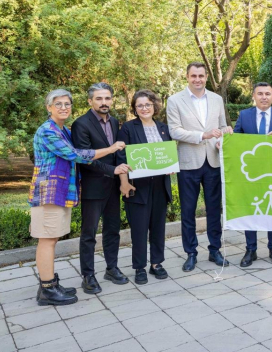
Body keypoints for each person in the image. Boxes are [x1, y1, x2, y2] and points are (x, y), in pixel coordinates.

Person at [29, 89, 128, 305]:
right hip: (48, 192)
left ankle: (50, 284)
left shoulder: (62, 130)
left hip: (61, 192)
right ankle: (47, 289)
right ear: (48, 107)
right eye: (58, 104)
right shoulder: (48, 131)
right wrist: (111, 149)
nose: (63, 107)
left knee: (52, 238)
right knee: (47, 240)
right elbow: (76, 154)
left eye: (67, 104)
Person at [167, 61, 233, 272]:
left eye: (201, 76)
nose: (198, 79)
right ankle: (191, 253)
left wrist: (223, 137)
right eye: (193, 76)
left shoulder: (216, 99)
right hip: (189, 162)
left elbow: (222, 126)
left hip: (213, 160)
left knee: (214, 209)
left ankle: (215, 250)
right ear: (187, 77)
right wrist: (203, 135)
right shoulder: (175, 100)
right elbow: (175, 131)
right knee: (188, 211)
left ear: (205, 77)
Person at [71, 83, 129, 294]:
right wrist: (112, 170)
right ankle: (88, 276)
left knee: (112, 230)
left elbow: (117, 154)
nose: (104, 102)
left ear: (111, 100)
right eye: (99, 99)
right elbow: (85, 158)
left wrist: (121, 178)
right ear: (90, 101)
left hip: (112, 186)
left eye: (107, 98)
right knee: (89, 233)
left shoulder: (114, 122)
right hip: (93, 186)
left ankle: (112, 268)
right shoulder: (80, 124)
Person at [233, 82, 272, 267]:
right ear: (254, 96)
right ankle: (250, 250)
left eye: (268, 93)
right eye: (260, 93)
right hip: (250, 174)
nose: (264, 97)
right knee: (250, 209)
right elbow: (235, 140)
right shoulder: (244, 115)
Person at [117, 90, 173, 285]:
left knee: (158, 227)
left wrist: (170, 166)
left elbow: (167, 154)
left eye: (147, 104)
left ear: (154, 106)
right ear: (134, 108)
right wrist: (124, 182)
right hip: (137, 185)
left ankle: (156, 263)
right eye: (139, 105)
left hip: (160, 185)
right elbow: (121, 157)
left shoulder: (163, 128)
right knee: (139, 229)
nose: (144, 108)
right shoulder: (128, 128)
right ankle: (139, 267)